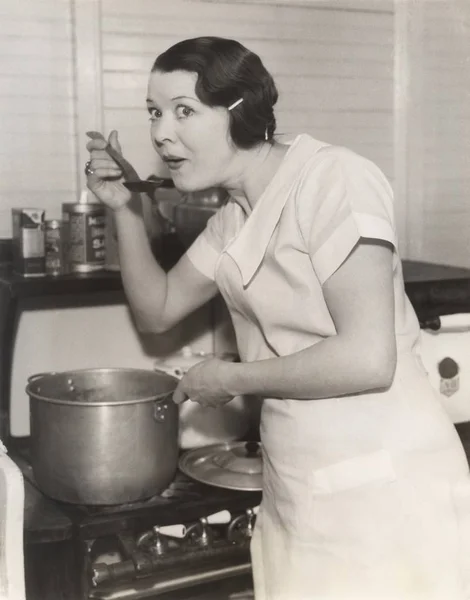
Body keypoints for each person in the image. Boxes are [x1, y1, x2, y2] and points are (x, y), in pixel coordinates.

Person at [85, 36, 470, 600]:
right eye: (154, 112)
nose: (161, 132)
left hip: (387, 492)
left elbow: (368, 358)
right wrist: (124, 210)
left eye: (184, 110)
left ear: (239, 112)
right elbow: (158, 309)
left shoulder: (334, 179)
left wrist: (230, 377)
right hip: (298, 482)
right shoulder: (233, 219)